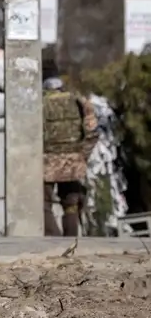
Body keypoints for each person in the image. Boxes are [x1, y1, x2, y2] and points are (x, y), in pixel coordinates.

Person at [41, 58, 98, 237]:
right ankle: (71, 246)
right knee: (72, 204)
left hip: (46, 162)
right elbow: (92, 131)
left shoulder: (38, 103)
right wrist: (82, 155)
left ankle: (55, 244)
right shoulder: (78, 100)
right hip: (73, 162)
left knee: (43, 205)